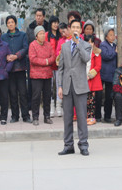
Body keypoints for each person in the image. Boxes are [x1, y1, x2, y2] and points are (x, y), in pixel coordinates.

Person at [56, 19, 91, 156]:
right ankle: (68, 145)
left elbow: (86, 58)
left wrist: (78, 43)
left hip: (80, 86)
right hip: (66, 86)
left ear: (80, 30)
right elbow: (61, 68)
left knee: (82, 117)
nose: (75, 29)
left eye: (78, 27)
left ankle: (83, 145)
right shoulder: (64, 46)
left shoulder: (86, 45)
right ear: (70, 29)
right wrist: (60, 86)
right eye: (73, 27)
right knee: (67, 118)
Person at [2, 15, 30, 123]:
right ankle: (15, 116)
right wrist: (7, 57)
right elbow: (2, 49)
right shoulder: (4, 37)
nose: (10, 24)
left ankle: (26, 115)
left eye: (12, 22)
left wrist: (16, 56)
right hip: (9, 69)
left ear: (15, 23)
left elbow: (25, 48)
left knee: (23, 93)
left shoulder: (22, 35)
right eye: (8, 22)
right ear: (7, 24)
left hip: (20, 68)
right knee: (12, 93)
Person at [28, 25, 55, 125]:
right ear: (36, 36)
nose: (43, 35)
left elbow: (53, 57)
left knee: (47, 96)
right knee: (36, 96)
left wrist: (47, 61)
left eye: (44, 33)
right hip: (36, 75)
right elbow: (33, 59)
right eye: (40, 34)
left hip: (47, 75)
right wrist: (46, 62)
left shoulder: (48, 45)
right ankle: (35, 117)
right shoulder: (32, 45)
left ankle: (47, 116)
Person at [99, 28, 117, 122]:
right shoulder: (103, 45)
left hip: (112, 75)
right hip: (104, 74)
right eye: (110, 35)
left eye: (113, 35)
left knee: (109, 97)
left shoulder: (115, 45)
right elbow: (106, 56)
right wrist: (115, 52)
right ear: (106, 36)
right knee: (100, 96)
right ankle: (98, 116)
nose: (112, 37)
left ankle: (107, 116)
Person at [46, 16, 61, 117]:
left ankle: (59, 106)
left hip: (59, 65)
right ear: (50, 24)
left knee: (59, 85)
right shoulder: (46, 35)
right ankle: (51, 106)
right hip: (50, 65)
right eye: (54, 22)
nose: (56, 25)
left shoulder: (60, 35)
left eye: (57, 23)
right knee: (50, 87)